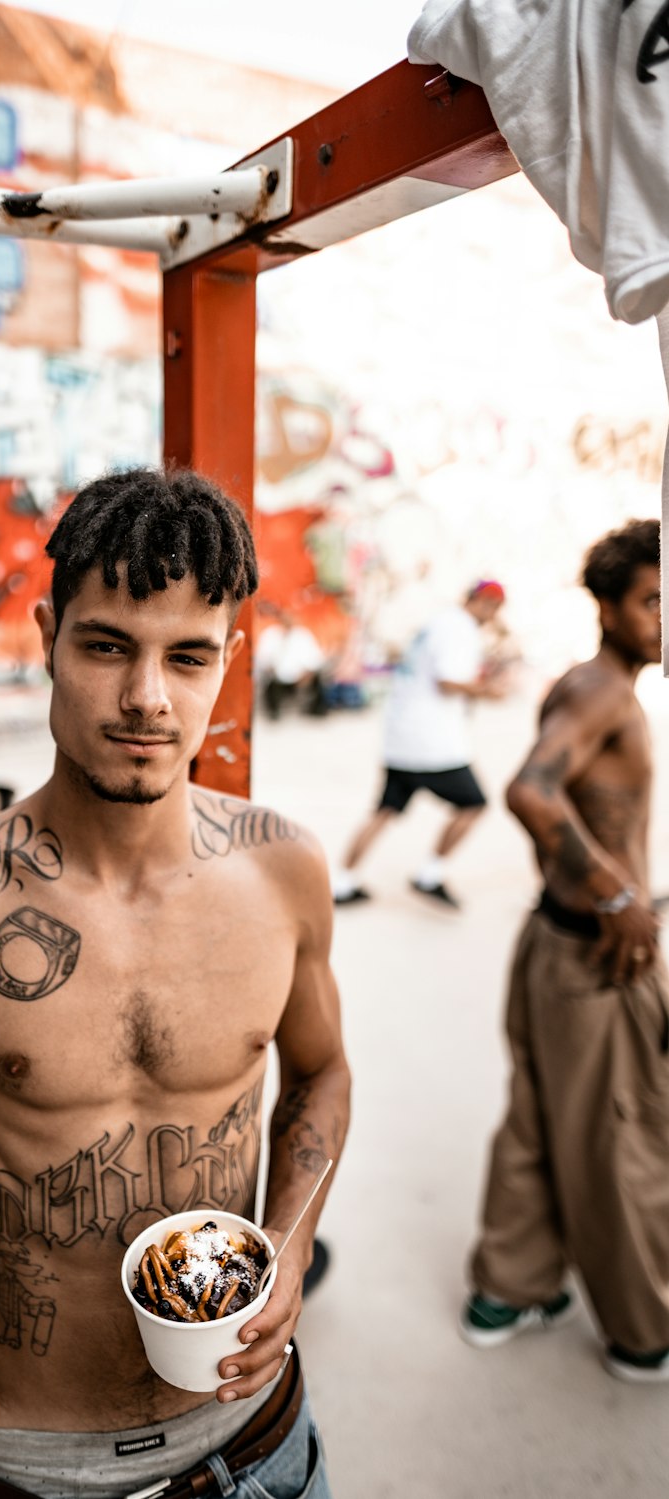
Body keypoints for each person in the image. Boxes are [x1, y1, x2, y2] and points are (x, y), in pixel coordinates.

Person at [0, 467, 350, 1499]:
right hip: (39, 1459)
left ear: (229, 662)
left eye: (188, 655)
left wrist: (290, 1243)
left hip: (260, 1435)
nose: (146, 698)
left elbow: (323, 1071)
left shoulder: (282, 869)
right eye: (108, 643)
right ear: (46, 634)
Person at [460, 519, 669, 1383]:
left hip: (553, 939)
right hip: (593, 957)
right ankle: (642, 1331)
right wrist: (620, 895)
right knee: (626, 1137)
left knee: (538, 1118)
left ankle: (507, 1292)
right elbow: (530, 790)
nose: (664, 617)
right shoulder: (605, 693)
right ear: (609, 607)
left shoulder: (586, 683)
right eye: (651, 600)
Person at [332, 580, 507, 909]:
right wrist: (489, 692)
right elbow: (447, 681)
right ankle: (430, 874)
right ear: (485, 602)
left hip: (402, 736)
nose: (495, 615)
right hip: (432, 743)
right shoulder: (460, 628)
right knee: (474, 804)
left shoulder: (438, 622)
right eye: (495, 607)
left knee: (385, 810)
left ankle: (342, 883)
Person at [256, 609, 325, 719]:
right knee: (270, 683)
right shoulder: (271, 635)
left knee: (319, 679)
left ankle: (315, 710)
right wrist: (271, 670)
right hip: (277, 678)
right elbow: (263, 659)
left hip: (301, 676)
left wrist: (308, 673)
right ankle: (273, 712)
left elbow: (315, 658)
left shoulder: (303, 635)